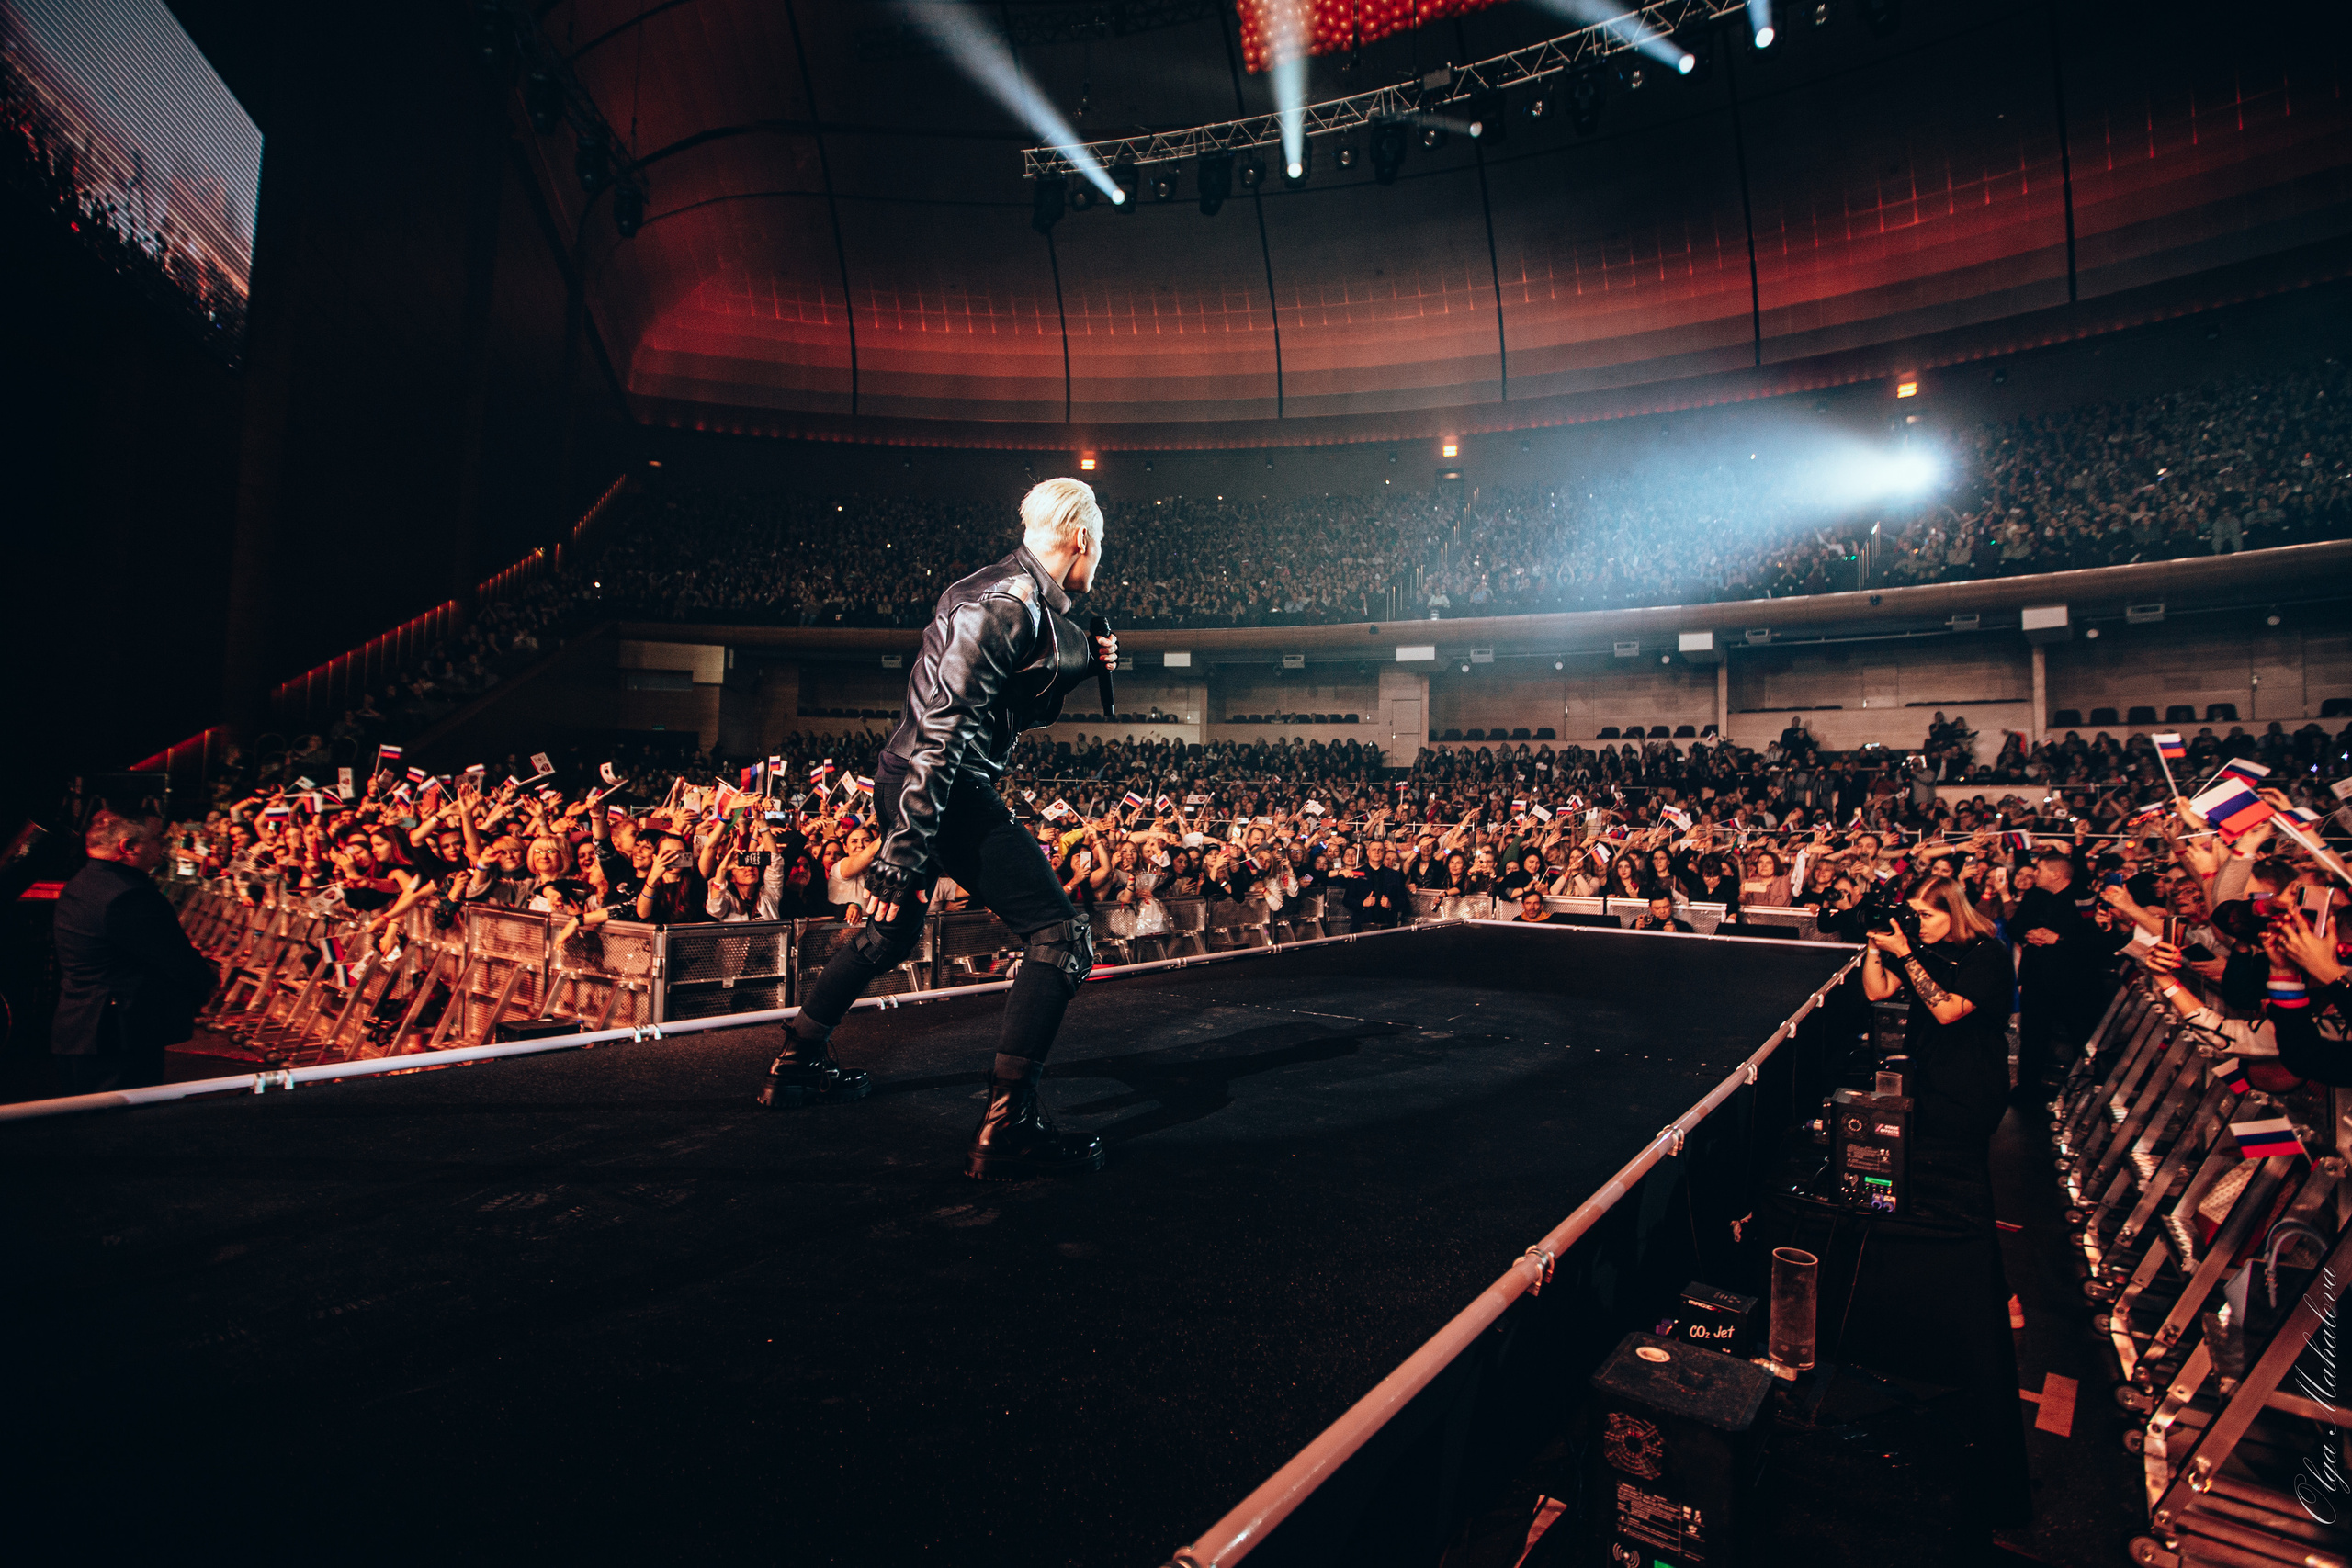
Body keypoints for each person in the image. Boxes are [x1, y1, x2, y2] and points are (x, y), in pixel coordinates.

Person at [756, 478, 1119, 1181]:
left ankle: (797, 1059)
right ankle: (1009, 1125)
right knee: (1059, 935)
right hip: (942, 785)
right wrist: (906, 849)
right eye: (1098, 549)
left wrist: (1075, 664)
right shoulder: (1007, 604)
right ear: (1081, 539)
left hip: (916, 781)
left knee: (890, 931)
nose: (1098, 563)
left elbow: (1002, 710)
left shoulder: (1001, 592)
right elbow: (944, 733)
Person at [50, 811, 218, 1095]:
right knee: (120, 1124)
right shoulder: (129, 895)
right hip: (117, 1032)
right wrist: (208, 982)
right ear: (128, 847)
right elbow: (174, 958)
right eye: (157, 839)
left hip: (81, 1026)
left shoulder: (85, 881)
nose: (163, 846)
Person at [1860, 875, 2015, 1145]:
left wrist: (1905, 955)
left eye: (1926, 915)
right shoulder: (1923, 946)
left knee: (1958, 1162)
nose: (1918, 923)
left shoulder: (1987, 953)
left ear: (1953, 912)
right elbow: (1878, 990)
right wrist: (1874, 947)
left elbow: (1947, 1011)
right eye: (1913, 913)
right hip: (1927, 1073)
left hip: (1971, 1079)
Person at [1629, 894, 1693, 933]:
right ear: (1651, 909)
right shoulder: (1639, 923)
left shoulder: (1683, 926)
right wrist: (1636, 931)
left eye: (1666, 907)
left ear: (1671, 906)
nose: (1662, 911)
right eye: (1657, 908)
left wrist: (1675, 934)